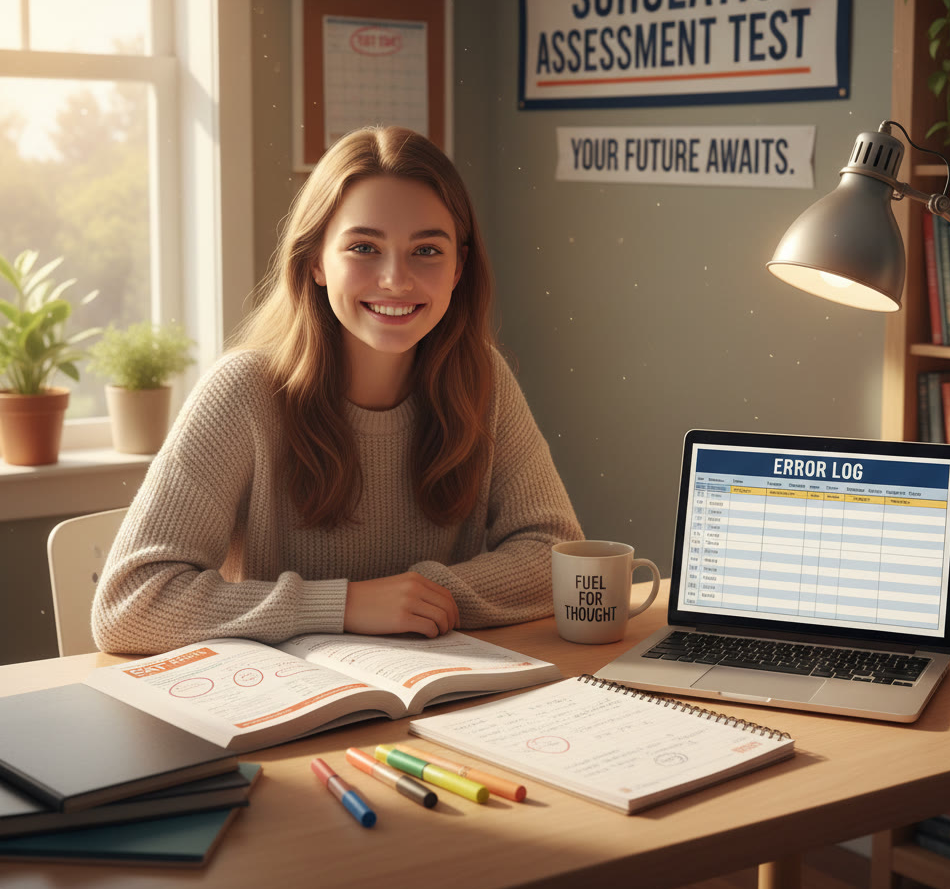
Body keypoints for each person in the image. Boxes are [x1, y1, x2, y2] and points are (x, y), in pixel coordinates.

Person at [91, 126, 582, 654]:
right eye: (364, 247)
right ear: (316, 262)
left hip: (441, 697)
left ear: (459, 267)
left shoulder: (482, 380)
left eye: (427, 251)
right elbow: (129, 605)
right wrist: (344, 605)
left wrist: (423, 598)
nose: (396, 279)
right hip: (283, 714)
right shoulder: (242, 393)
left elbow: (558, 553)